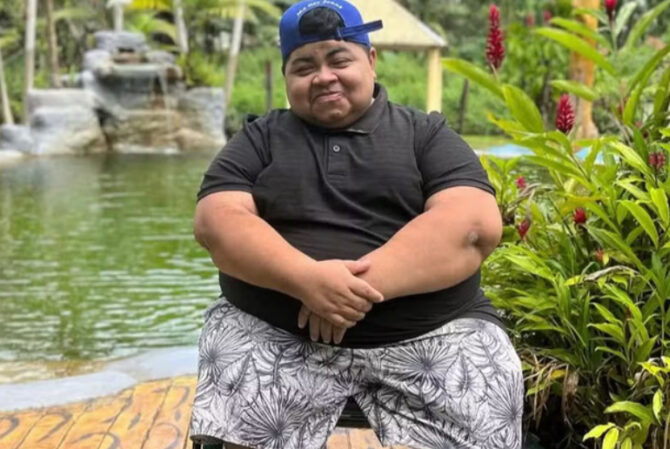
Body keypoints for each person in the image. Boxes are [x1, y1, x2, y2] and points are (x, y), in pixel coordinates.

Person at [188, 0, 523, 448]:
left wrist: (344, 292)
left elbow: (474, 226)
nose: (323, 76)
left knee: (488, 376)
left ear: (370, 60)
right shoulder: (259, 139)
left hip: (434, 337)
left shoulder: (426, 134)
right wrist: (306, 280)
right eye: (304, 66)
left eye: (339, 59)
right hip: (274, 336)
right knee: (234, 368)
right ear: (287, 78)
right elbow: (216, 222)